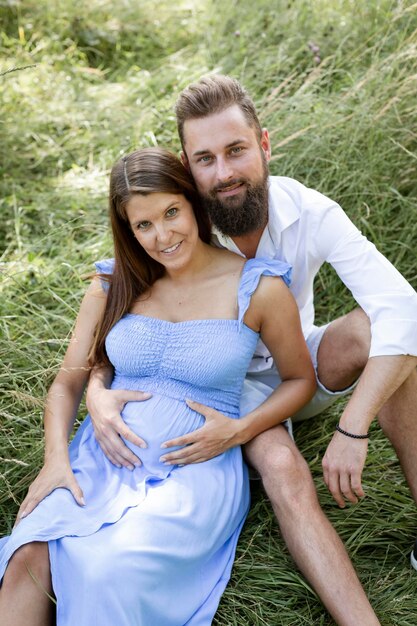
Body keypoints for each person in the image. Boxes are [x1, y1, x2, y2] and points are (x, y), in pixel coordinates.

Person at [87, 75, 417, 624]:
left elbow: (404, 310)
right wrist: (97, 390)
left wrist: (354, 426)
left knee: (377, 332)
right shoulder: (177, 221)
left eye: (236, 150)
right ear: (187, 166)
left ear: (264, 145)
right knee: (285, 467)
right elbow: (122, 315)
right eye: (205, 159)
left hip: (294, 369)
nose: (224, 174)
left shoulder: (309, 211)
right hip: (210, 385)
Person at [0, 147, 318, 625]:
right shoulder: (113, 284)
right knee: (29, 556)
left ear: (192, 202)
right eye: (143, 225)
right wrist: (56, 462)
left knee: (103, 567)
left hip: (191, 469)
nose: (163, 236)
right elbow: (67, 383)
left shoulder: (257, 286)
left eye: (172, 212)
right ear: (127, 229)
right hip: (100, 458)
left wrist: (239, 429)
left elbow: (300, 380)